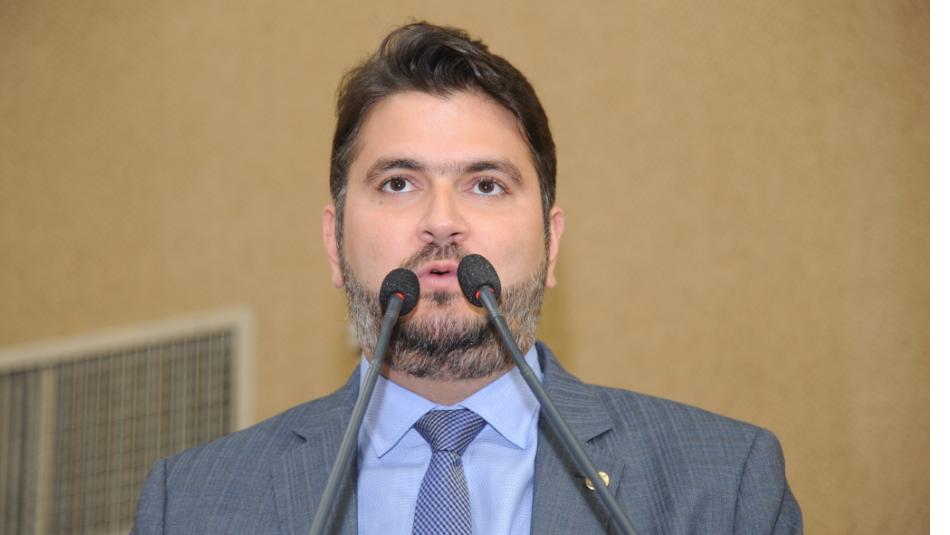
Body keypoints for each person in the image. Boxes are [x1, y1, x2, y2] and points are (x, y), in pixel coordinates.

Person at [132, 22, 802, 534]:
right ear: (334, 243)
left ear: (552, 244)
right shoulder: (191, 503)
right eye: (399, 183)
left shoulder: (725, 481)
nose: (442, 223)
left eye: (486, 184)